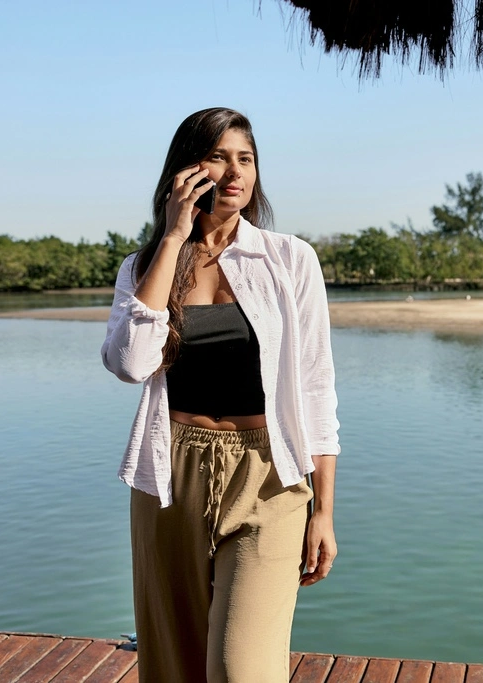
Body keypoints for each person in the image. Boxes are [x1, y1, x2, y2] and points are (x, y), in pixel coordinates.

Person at [100, 107, 340, 683]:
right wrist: (175, 238)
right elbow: (131, 364)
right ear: (186, 170)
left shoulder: (289, 259)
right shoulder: (145, 267)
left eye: (246, 158)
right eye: (218, 157)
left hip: (270, 474)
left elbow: (315, 386)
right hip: (170, 473)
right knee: (173, 666)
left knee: (241, 670)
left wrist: (325, 510)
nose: (235, 172)